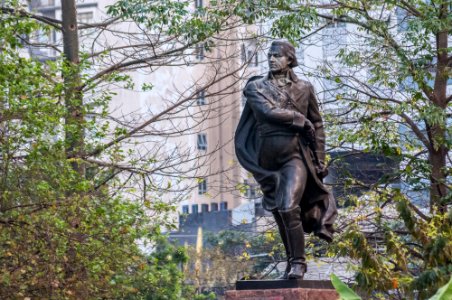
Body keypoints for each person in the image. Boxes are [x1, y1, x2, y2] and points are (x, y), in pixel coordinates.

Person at [234, 40, 337, 279]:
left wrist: (320, 158)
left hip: (295, 157)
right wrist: (300, 120)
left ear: (289, 59)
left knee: (290, 206)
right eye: (269, 55)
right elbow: (267, 112)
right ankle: (291, 262)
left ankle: (299, 263)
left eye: (277, 56)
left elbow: (318, 123)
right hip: (267, 163)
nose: (271, 59)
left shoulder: (305, 88)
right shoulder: (255, 87)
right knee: (279, 211)